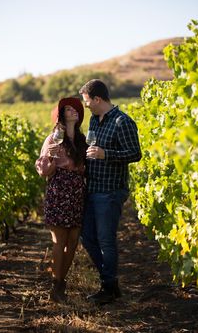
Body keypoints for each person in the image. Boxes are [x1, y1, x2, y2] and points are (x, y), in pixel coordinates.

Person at [79, 79, 142, 305]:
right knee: (87, 237)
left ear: (97, 99)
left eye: (87, 101)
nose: (85, 105)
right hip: (92, 189)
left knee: (106, 241)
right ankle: (111, 282)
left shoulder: (122, 121)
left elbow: (135, 154)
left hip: (110, 191)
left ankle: (108, 286)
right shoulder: (94, 120)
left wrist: (107, 154)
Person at [35, 97, 87, 302]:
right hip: (59, 190)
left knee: (73, 241)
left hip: (77, 192)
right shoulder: (53, 139)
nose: (73, 110)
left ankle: (60, 281)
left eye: (75, 108)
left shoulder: (82, 141)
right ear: (61, 116)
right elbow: (44, 172)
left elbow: (86, 169)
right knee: (59, 240)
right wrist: (51, 158)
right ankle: (56, 285)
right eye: (68, 109)